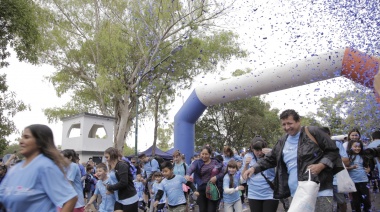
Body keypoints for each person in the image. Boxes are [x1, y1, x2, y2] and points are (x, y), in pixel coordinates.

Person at [243, 109, 342, 211]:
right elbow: (271, 158)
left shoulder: (313, 132)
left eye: (290, 123)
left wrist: (321, 165)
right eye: (284, 124)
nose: (287, 127)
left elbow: (333, 151)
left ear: (298, 121)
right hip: (296, 193)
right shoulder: (283, 141)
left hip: (320, 191)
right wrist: (254, 168)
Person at [0, 124, 78, 211]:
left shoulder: (46, 167)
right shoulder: (15, 169)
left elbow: (70, 199)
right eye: (22, 137)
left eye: (26, 137)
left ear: (40, 142)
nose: (21, 141)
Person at [243, 137, 279, 212]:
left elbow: (282, 167)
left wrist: (273, 154)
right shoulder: (247, 157)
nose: (259, 153)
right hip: (254, 194)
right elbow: (244, 177)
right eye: (257, 150)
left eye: (261, 150)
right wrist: (246, 165)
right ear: (252, 149)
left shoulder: (271, 155)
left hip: (270, 193)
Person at [185, 146, 224, 212]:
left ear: (210, 154)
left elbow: (223, 171)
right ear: (200, 154)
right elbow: (191, 169)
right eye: (202, 154)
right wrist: (188, 175)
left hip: (212, 189)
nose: (204, 156)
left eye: (206, 154)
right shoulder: (197, 162)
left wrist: (216, 177)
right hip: (201, 189)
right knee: (202, 210)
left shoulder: (215, 162)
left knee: (211, 210)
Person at [320, 127, 349, 212]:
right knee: (326, 205)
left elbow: (346, 161)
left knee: (342, 202)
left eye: (326, 136)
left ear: (330, 135)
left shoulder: (337, 144)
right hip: (322, 181)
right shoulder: (314, 146)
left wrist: (330, 158)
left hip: (336, 180)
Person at [105, 147, 138, 212]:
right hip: (119, 198)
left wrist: (110, 187)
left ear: (112, 156)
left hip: (129, 198)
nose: (106, 159)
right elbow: (114, 181)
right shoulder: (112, 166)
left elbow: (123, 182)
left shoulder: (122, 165)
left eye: (107, 157)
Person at [346, 139, 371, 211]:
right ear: (350, 147)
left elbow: (368, 166)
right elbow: (343, 168)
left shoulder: (364, 156)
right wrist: (351, 167)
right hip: (353, 182)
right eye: (355, 146)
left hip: (364, 180)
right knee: (356, 202)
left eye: (359, 147)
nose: (357, 148)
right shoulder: (348, 156)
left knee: (366, 201)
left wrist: (368, 169)